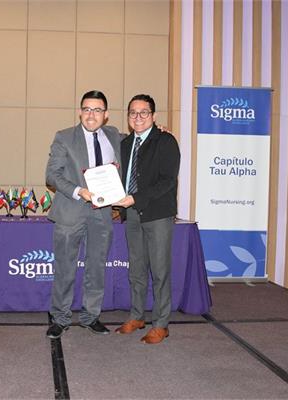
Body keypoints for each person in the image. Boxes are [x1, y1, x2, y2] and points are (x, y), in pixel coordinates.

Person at [45, 90, 123, 339]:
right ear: (80, 112)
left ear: (106, 114)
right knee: (65, 268)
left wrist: (159, 130)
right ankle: (60, 318)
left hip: (102, 213)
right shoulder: (64, 137)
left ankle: (91, 317)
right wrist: (80, 191)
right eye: (87, 109)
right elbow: (52, 175)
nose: (91, 114)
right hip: (71, 211)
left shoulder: (114, 135)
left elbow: (139, 142)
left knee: (97, 268)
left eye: (97, 110)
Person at [113, 94, 180, 344]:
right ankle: (137, 316)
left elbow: (167, 181)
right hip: (132, 214)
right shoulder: (124, 144)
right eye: (133, 113)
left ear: (153, 115)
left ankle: (161, 324)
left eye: (143, 112)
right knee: (136, 270)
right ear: (128, 117)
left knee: (160, 271)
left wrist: (135, 198)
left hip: (157, 214)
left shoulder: (166, 141)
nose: (138, 117)